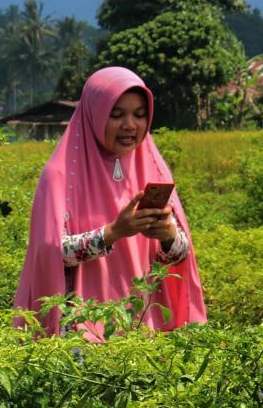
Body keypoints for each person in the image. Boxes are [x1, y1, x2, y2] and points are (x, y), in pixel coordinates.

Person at [14, 66, 207, 338]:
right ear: (95, 114)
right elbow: (48, 253)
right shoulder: (59, 175)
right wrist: (112, 233)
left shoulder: (154, 169)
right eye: (116, 115)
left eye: (139, 115)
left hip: (142, 326)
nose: (130, 125)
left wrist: (168, 236)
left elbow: (179, 254)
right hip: (82, 329)